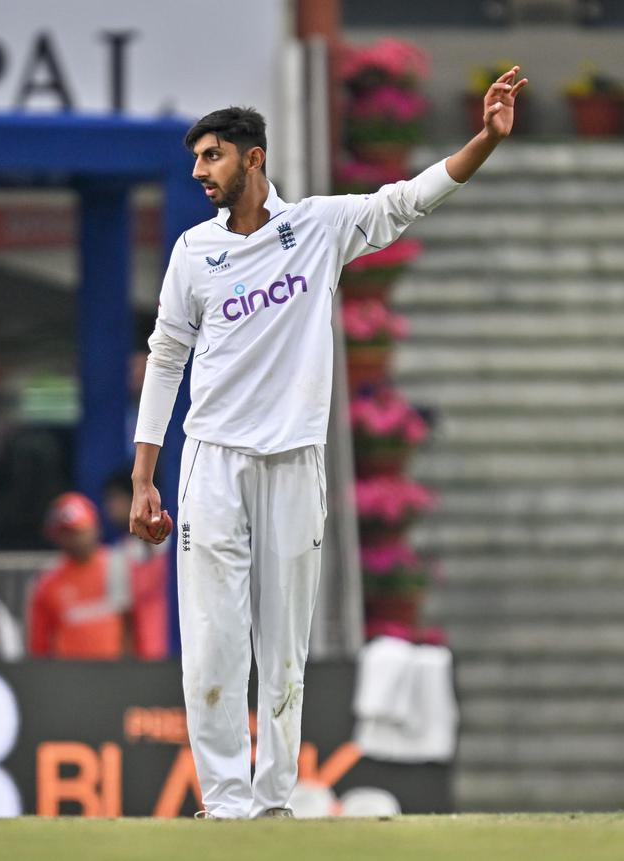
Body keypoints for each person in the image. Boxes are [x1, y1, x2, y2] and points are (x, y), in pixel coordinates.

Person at [129, 71, 528, 820]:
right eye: (195, 160)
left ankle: (274, 798)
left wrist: (486, 141)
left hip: (293, 463)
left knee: (282, 646)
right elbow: (165, 357)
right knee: (213, 642)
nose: (197, 173)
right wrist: (145, 474)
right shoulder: (192, 252)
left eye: (211, 157)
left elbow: (408, 198)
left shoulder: (317, 226)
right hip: (211, 462)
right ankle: (223, 802)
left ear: (253, 159)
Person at [28, 492, 128, 660]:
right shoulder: (47, 581)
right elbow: (39, 645)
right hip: (70, 676)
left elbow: (131, 624)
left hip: (116, 671)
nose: (74, 539)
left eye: (78, 530)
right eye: (66, 532)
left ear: (95, 527)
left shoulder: (117, 565)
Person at [102, 471, 169, 660]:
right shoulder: (118, 557)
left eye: (115, 499)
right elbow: (125, 621)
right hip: (148, 661)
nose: (109, 507)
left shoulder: (180, 547)